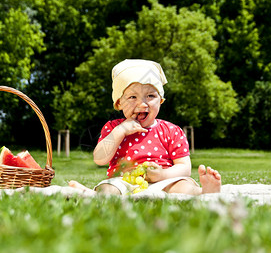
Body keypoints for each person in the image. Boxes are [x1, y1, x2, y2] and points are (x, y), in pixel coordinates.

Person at [69, 59, 221, 195]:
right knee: (108, 189)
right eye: (132, 97)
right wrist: (121, 131)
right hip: (123, 182)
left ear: (160, 100)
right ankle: (94, 195)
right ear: (119, 103)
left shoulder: (171, 130)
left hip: (163, 182)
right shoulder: (114, 127)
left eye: (150, 96)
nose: (142, 104)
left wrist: (163, 175)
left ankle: (203, 192)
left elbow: (184, 168)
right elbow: (100, 159)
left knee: (183, 186)